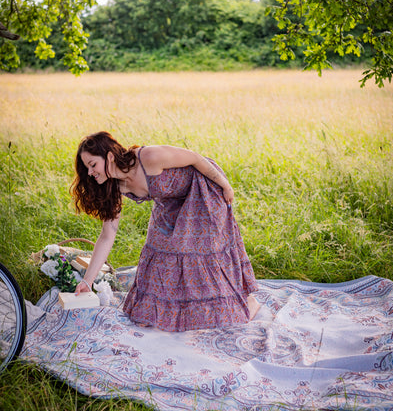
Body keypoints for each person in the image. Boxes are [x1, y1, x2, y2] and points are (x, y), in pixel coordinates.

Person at [71, 131, 260, 332]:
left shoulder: (148, 158)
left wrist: (226, 185)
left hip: (203, 190)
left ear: (109, 156)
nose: (90, 172)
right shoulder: (115, 186)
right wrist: (87, 281)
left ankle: (246, 301)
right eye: (87, 168)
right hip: (169, 202)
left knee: (195, 251)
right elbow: (108, 235)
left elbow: (196, 158)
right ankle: (174, 312)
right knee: (158, 248)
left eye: (93, 165)